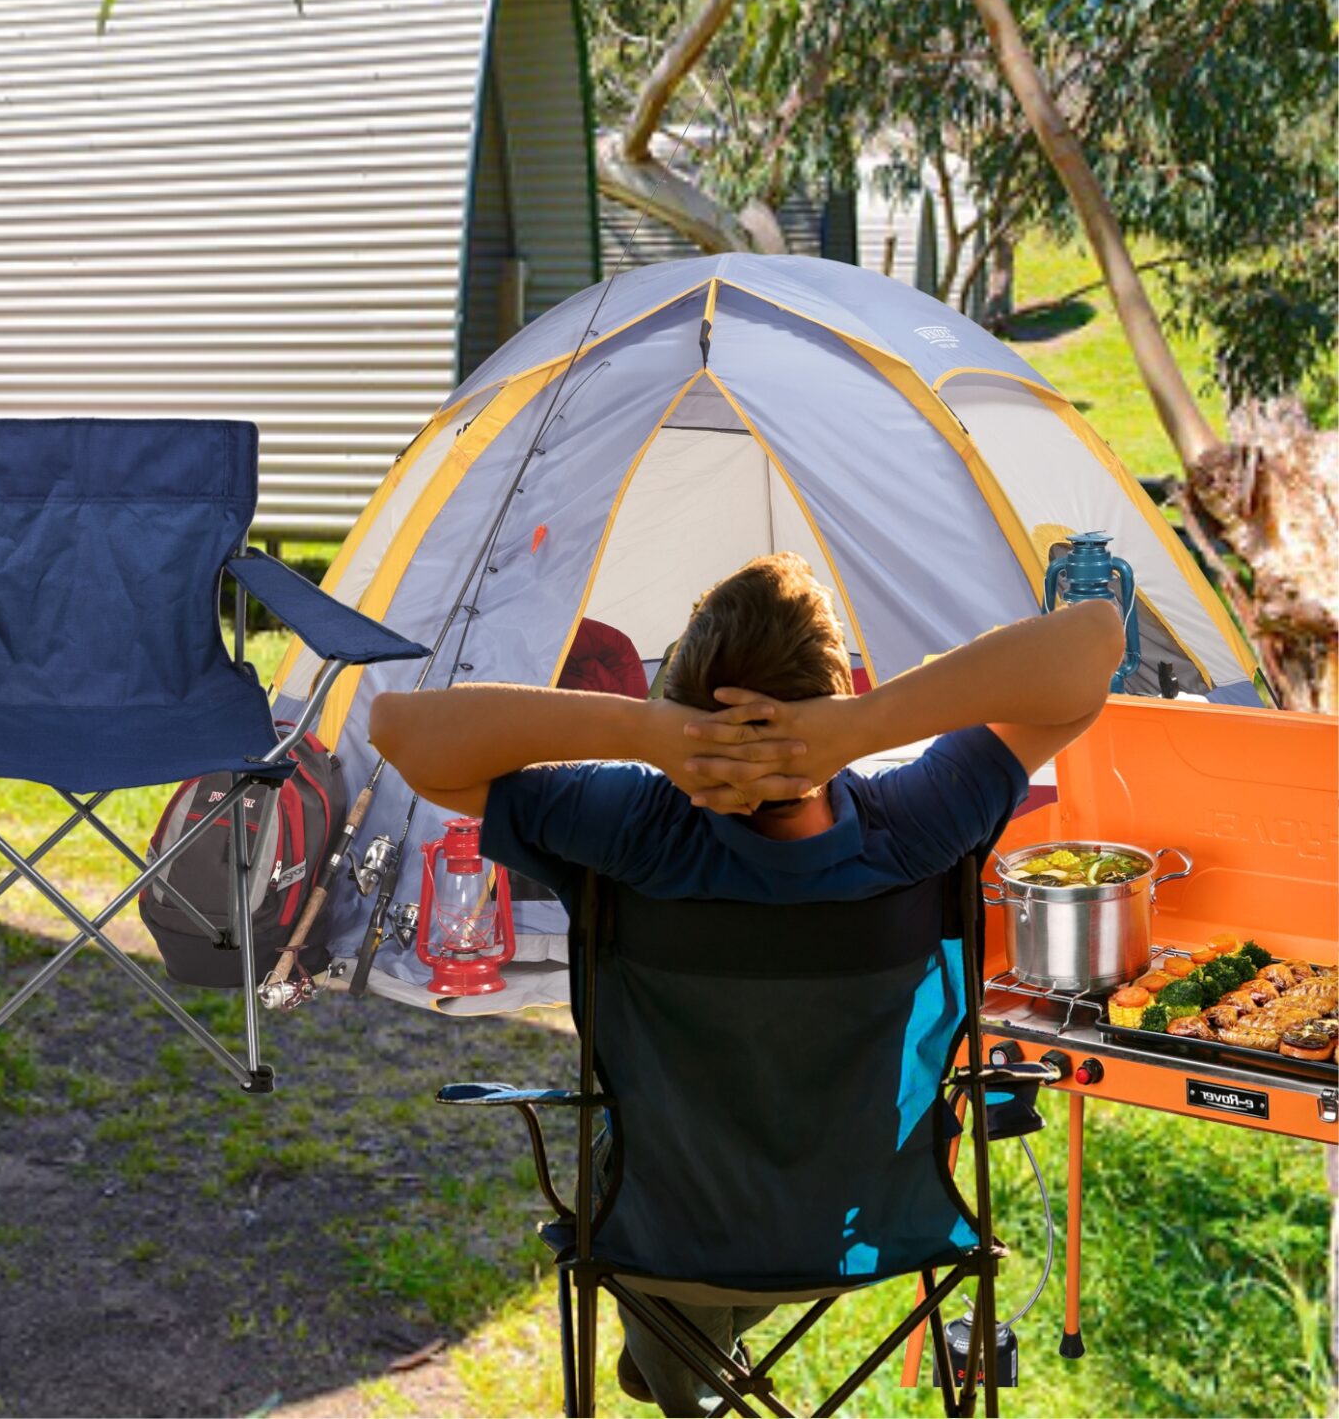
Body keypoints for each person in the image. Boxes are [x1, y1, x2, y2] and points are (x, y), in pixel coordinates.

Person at [368, 554, 1127, 1415]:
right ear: (831, 695)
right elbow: (1097, 641)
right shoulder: (917, 822)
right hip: (868, 1214)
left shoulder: (634, 829)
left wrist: (649, 734)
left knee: (660, 1197)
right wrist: (867, 725)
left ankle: (680, 1348)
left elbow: (398, 730)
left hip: (667, 1230)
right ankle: (684, 1342)